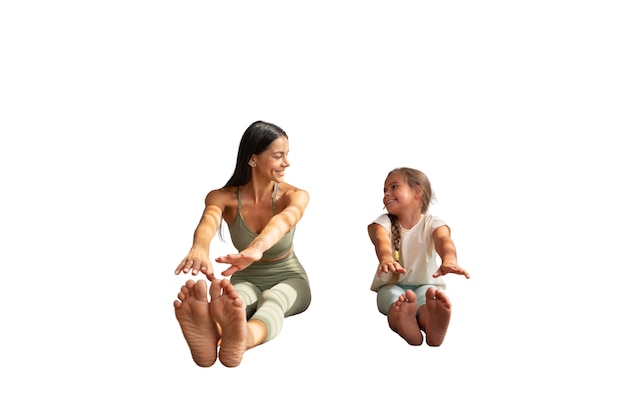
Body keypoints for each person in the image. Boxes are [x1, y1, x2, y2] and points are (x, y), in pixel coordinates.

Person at [173, 120, 311, 367]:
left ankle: (243, 339)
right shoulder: (223, 197)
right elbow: (209, 221)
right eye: (278, 156)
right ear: (253, 159)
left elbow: (283, 222)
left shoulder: (294, 195)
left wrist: (256, 248)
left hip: (290, 278)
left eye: (287, 155)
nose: (287, 163)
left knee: (274, 299)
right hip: (246, 277)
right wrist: (199, 248)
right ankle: (212, 331)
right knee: (238, 298)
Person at [368, 167, 470, 346]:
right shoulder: (383, 222)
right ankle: (403, 322)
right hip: (391, 286)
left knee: (426, 302)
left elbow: (444, 241)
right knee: (395, 302)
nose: (386, 194)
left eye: (394, 187)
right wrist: (386, 258)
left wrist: (449, 259)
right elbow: (381, 240)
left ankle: (430, 323)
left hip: (426, 285)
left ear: (417, 191)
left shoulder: (432, 223)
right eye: (384, 190)